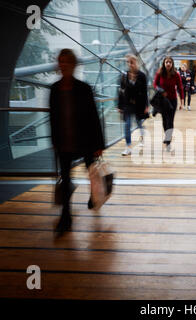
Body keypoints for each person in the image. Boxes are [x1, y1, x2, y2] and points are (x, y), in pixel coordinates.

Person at [49, 49, 105, 235]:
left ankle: (93, 196)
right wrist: (55, 142)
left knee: (92, 174)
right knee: (65, 181)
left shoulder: (84, 88)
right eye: (61, 61)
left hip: (85, 141)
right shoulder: (54, 90)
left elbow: (93, 117)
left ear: (73, 65)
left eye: (67, 61)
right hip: (64, 143)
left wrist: (99, 144)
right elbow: (53, 118)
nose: (63, 65)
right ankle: (66, 217)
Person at [118, 54, 149, 156]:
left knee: (139, 122)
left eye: (132, 62)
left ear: (136, 63)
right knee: (127, 125)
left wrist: (146, 105)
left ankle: (142, 137)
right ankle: (128, 147)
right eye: (128, 62)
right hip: (127, 104)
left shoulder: (142, 76)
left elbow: (145, 92)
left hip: (139, 104)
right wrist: (120, 105)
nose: (130, 64)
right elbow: (121, 91)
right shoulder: (124, 75)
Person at [153, 56, 184, 152]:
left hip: (172, 101)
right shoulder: (160, 73)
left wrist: (182, 102)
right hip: (163, 101)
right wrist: (159, 90)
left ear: (172, 64)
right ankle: (167, 136)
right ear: (164, 63)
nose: (168, 64)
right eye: (167, 62)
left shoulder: (176, 74)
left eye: (170, 62)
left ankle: (168, 142)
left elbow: (180, 88)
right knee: (164, 120)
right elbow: (155, 84)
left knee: (170, 121)